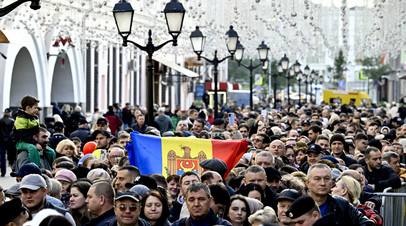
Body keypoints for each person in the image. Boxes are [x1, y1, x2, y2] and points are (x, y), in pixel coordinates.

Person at [306, 163, 372, 224]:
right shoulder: (299, 205)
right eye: (317, 179)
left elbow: (367, 223)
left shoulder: (342, 204)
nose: (323, 183)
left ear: (332, 182)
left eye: (326, 179)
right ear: (308, 183)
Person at [12, 95, 43, 168]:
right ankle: (35, 167)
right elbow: (23, 135)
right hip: (21, 141)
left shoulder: (34, 117)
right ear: (28, 108)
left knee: (50, 151)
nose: (36, 110)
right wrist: (35, 143)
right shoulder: (21, 119)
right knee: (32, 148)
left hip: (32, 139)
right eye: (35, 108)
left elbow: (38, 129)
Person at [0, 108, 15, 176]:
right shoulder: (12, 121)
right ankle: (13, 169)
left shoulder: (0, 121)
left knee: (2, 156)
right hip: (10, 141)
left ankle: (3, 171)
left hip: (1, 141)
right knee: (11, 155)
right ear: (10, 113)